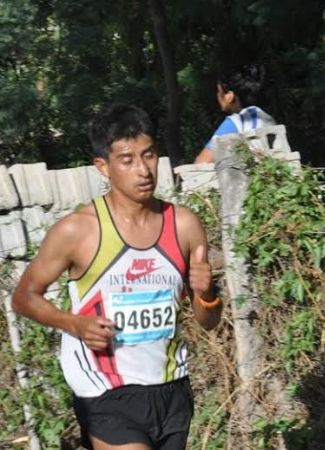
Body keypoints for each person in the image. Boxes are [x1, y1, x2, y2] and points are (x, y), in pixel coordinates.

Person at [12, 104, 222, 450]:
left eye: (149, 155)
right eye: (127, 160)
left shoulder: (184, 225)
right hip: (105, 390)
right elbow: (24, 297)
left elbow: (208, 321)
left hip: (171, 388)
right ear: (103, 167)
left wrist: (207, 294)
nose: (143, 170)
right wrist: (74, 324)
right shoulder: (78, 230)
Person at [195, 63, 277, 163]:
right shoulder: (267, 118)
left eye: (219, 91)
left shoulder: (236, 122)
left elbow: (202, 162)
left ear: (230, 96)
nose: (217, 96)